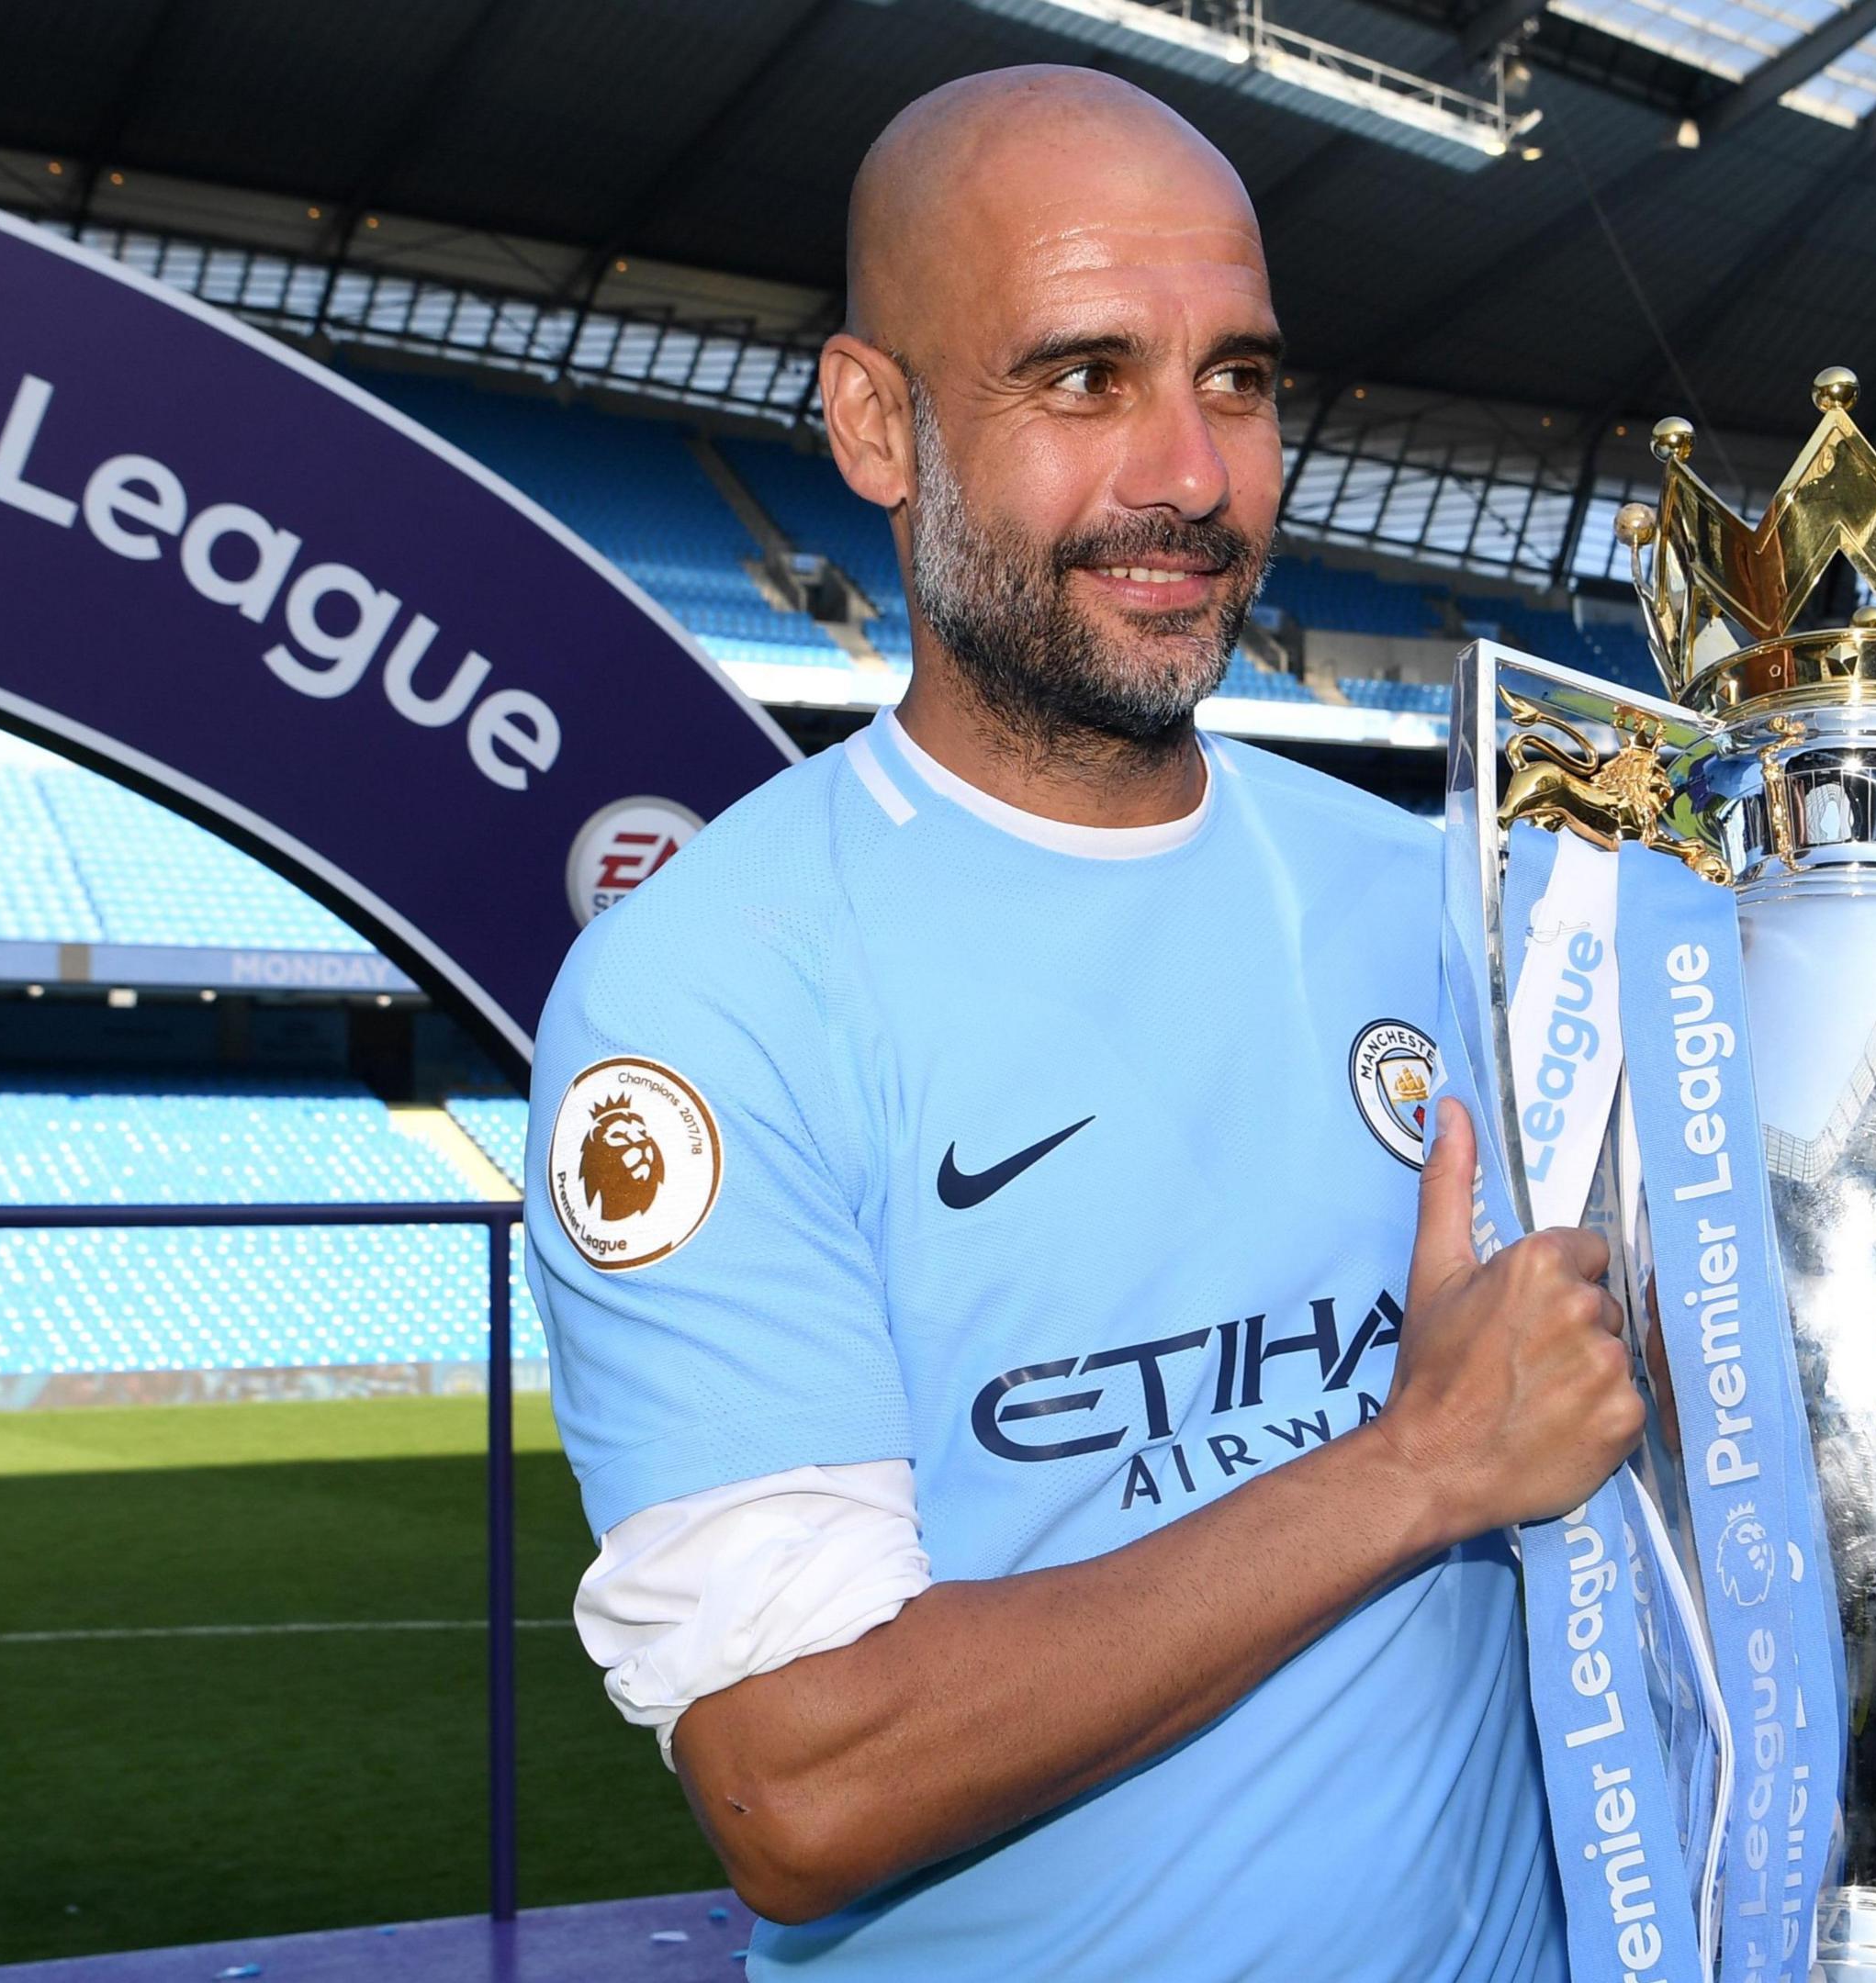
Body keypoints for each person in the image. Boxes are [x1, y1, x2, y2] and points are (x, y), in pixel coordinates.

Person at [521, 66, 1630, 1983]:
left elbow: (1635, 1391)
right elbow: (803, 1788)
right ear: (879, 422)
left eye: (1243, 379)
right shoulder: (705, 992)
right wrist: (1414, 1465)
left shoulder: (1451, 901)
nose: (1188, 476)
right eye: (1084, 376)